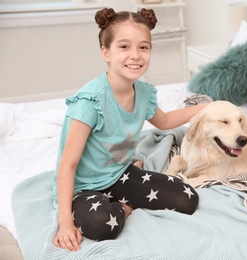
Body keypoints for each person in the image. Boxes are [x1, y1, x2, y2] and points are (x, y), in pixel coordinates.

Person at [53, 7, 206, 251]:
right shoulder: (90, 101)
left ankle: (129, 181)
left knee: (188, 199)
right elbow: (67, 165)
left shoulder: (144, 92)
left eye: (143, 47)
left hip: (119, 174)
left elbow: (164, 122)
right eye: (124, 47)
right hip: (85, 187)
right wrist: (64, 223)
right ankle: (126, 207)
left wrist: (205, 109)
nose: (135, 55)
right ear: (106, 52)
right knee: (100, 225)